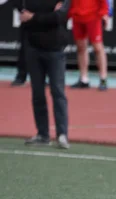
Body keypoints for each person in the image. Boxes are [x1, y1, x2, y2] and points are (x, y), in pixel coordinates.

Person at [21, 0, 70, 149]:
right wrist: (47, 14)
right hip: (34, 49)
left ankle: (62, 134)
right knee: (37, 93)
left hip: (55, 50)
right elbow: (25, 14)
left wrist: (34, 17)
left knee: (58, 92)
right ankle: (43, 134)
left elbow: (59, 18)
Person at [68, 0, 109, 91]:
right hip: (77, 16)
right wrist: (69, 12)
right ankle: (84, 79)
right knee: (81, 47)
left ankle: (103, 79)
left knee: (98, 48)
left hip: (93, 16)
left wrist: (104, 12)